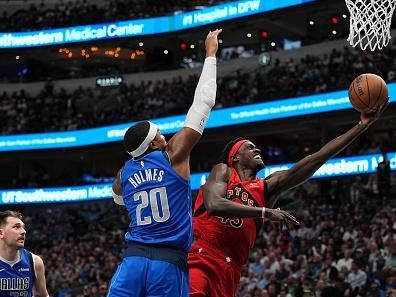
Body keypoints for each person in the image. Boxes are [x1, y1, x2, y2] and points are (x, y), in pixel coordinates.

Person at [189, 100, 389, 297]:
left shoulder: (265, 188)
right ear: (235, 158)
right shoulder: (223, 171)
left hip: (231, 270)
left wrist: (361, 126)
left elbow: (317, 158)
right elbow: (214, 205)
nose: (257, 149)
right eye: (250, 147)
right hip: (203, 256)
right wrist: (265, 212)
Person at [106, 29, 222, 297]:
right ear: (154, 144)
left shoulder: (123, 173)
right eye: (159, 133)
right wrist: (211, 54)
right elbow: (205, 101)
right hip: (168, 262)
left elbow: (118, 200)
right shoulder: (173, 155)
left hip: (132, 261)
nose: (164, 135)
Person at [0, 210, 48, 297]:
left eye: (23, 227)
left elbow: (42, 295)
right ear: (1, 233)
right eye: (16, 227)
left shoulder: (35, 262)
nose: (23, 231)